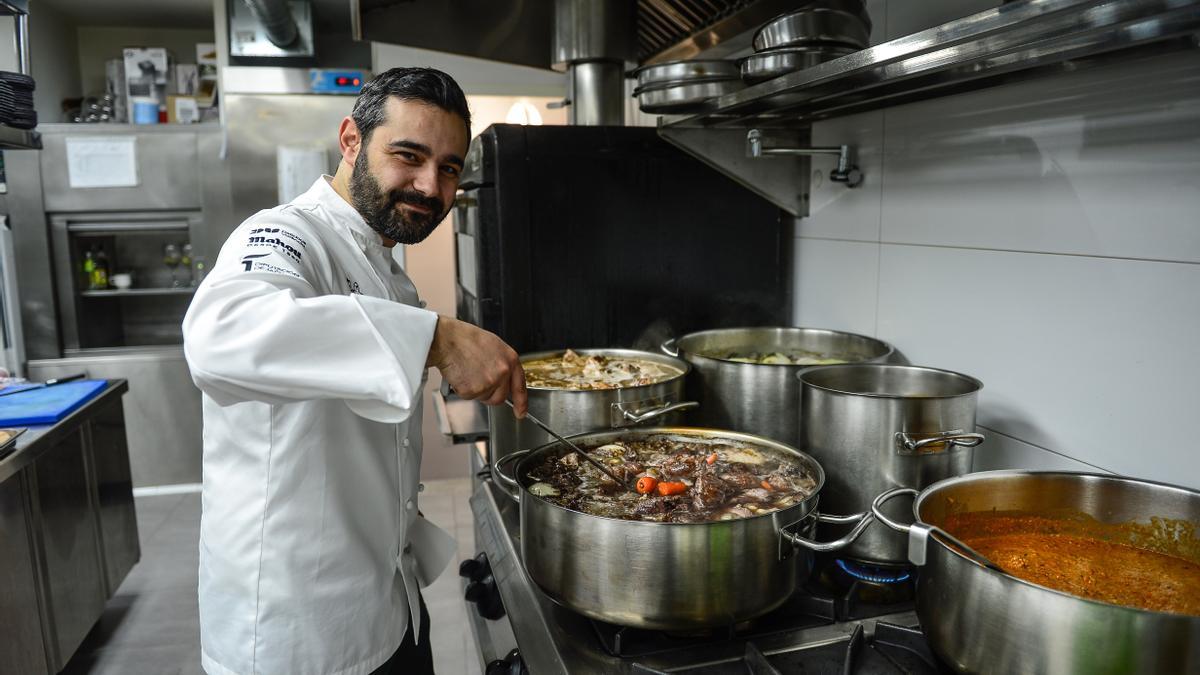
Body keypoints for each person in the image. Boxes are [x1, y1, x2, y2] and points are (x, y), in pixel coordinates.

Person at [182, 67, 528, 675]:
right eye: (408, 155)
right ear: (350, 141)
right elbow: (219, 337)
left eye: (449, 167)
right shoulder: (285, 234)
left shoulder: (385, 266)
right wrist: (437, 338)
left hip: (388, 601)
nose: (429, 185)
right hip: (298, 632)